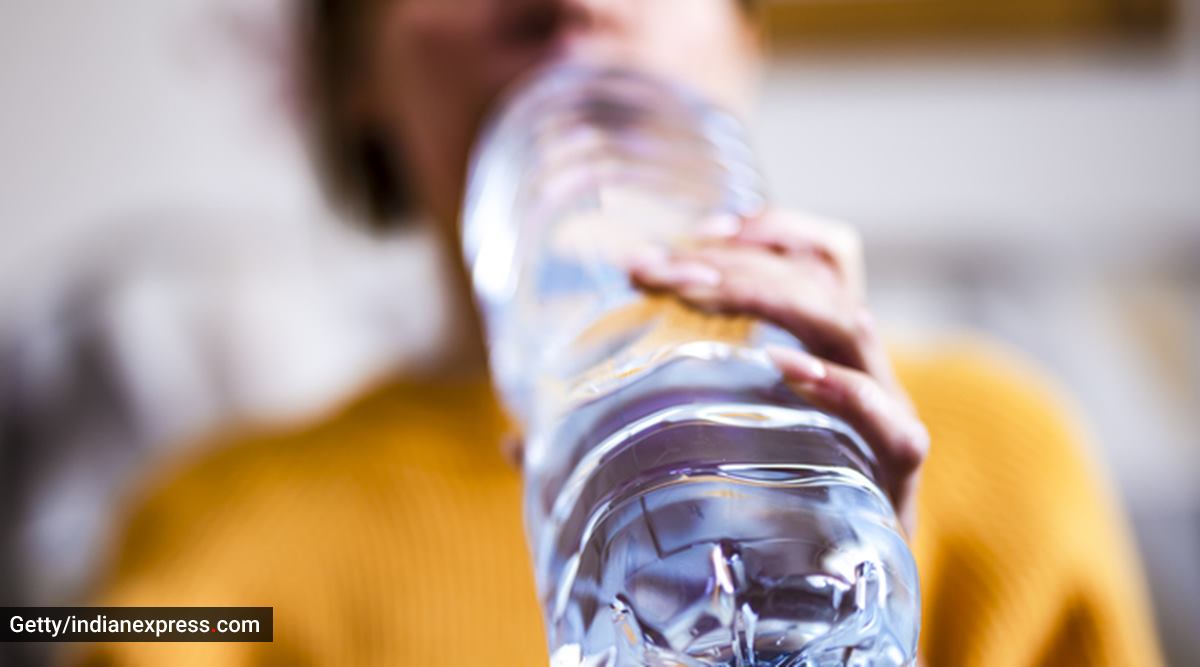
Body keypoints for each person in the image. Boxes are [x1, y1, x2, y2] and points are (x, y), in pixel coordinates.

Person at [84, 1, 1163, 665]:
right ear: (350, 64)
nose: (568, 5)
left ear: (744, 29)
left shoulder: (1006, 463)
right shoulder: (216, 548)